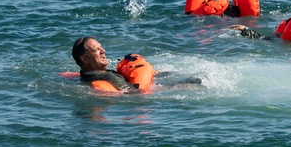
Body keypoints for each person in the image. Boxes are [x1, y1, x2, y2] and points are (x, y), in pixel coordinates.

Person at [70, 36, 201, 91]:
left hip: (147, 82)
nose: (103, 51)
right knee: (196, 81)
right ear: (85, 59)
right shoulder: (105, 79)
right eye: (97, 50)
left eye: (101, 47)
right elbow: (132, 94)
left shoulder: (87, 75)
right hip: (149, 90)